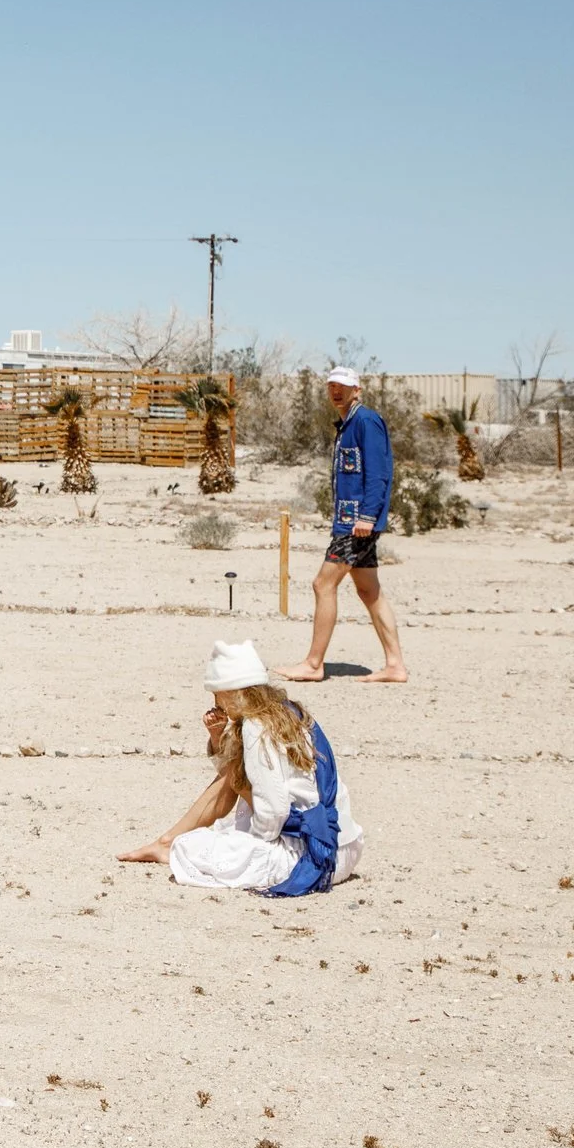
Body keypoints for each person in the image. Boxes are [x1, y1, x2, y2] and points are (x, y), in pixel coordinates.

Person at [118, 640, 366, 893]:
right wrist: (218, 738)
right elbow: (244, 778)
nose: (216, 702)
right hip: (343, 846)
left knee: (189, 848)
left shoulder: (255, 726)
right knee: (230, 785)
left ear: (232, 691)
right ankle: (165, 841)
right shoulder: (287, 712)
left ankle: (168, 843)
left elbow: (273, 810)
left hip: (312, 853)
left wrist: (251, 842)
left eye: (217, 694)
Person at [278, 366, 408, 684]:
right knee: (368, 590)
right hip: (350, 521)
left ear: (356, 390)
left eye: (343, 386)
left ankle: (313, 663)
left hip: (356, 524)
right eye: (331, 386)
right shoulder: (347, 424)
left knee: (323, 584)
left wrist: (367, 516)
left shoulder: (366, 421)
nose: (336, 391)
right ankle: (395, 665)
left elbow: (379, 472)